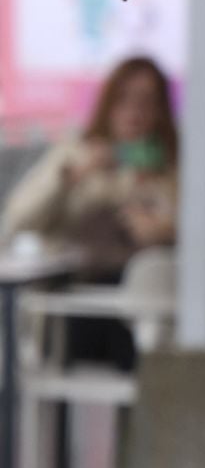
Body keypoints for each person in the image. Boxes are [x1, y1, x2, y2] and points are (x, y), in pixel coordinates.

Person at [1, 56, 179, 370]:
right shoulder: (77, 153)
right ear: (109, 102)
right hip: (76, 298)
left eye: (147, 101)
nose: (134, 112)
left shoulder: (171, 169)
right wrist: (74, 177)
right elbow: (18, 218)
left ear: (162, 110)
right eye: (125, 98)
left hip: (148, 311)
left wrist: (164, 225)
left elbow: (199, 233)